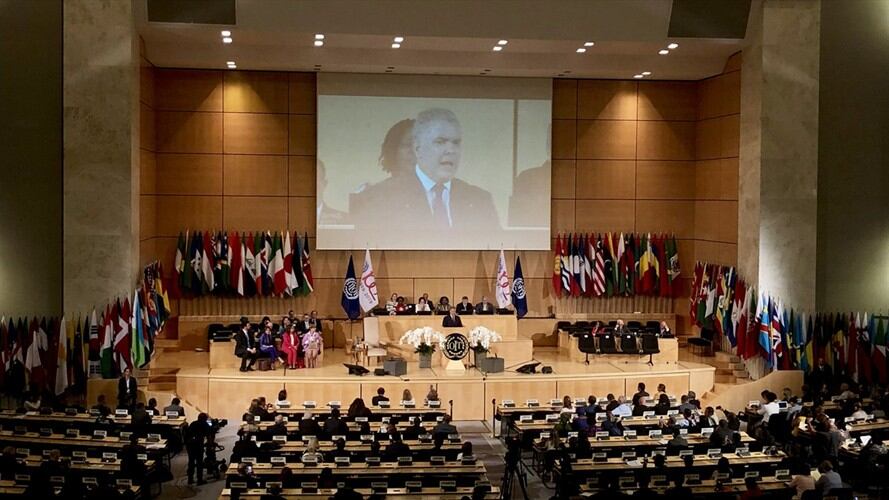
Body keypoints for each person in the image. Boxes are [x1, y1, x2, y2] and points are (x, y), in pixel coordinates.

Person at [350, 108, 502, 241]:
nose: (450, 150)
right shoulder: (379, 197)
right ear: (418, 149)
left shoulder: (479, 199)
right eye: (440, 142)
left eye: (456, 143)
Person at [186, 412, 210, 485]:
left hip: (190, 445)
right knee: (199, 462)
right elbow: (209, 435)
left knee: (191, 462)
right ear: (205, 419)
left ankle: (190, 479)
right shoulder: (205, 425)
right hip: (198, 445)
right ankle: (199, 480)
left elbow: (188, 434)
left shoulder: (193, 423)